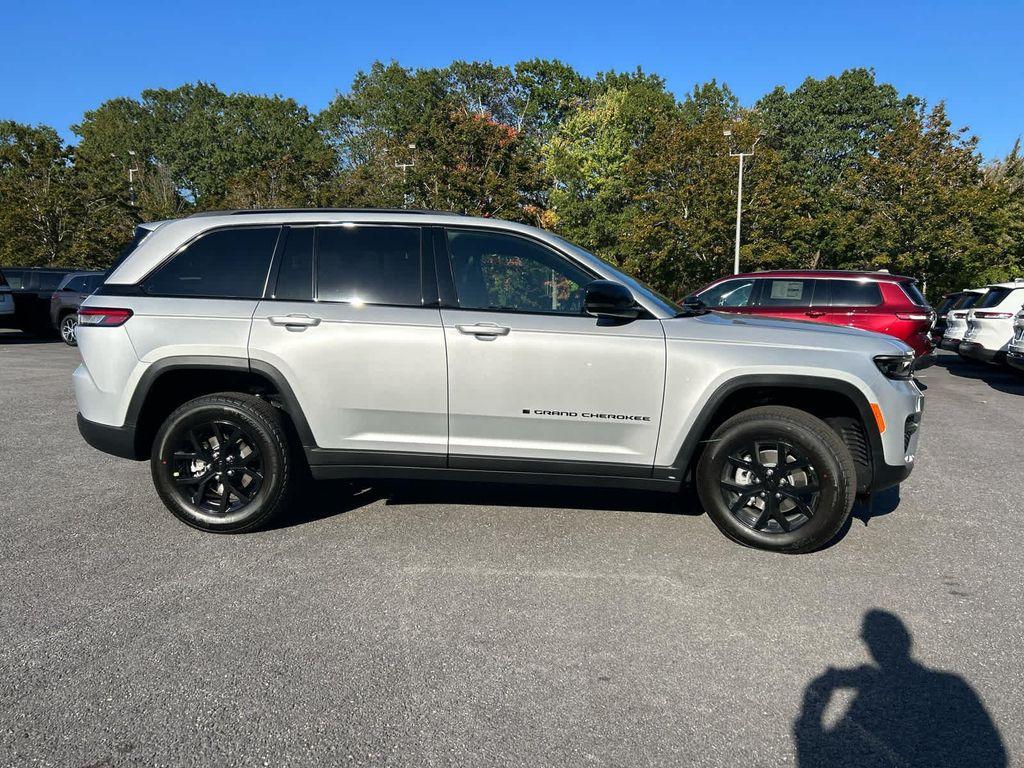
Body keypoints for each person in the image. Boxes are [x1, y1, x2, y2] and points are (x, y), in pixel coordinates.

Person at [794, 610, 1006, 767]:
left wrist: (812, 710)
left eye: (868, 638)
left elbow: (812, 749)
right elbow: (994, 754)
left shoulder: (948, 684)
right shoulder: (952, 684)